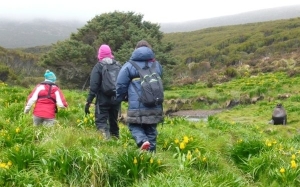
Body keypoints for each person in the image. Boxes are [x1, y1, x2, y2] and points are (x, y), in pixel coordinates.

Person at [115, 40, 164, 151]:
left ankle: (142, 140)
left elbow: (120, 85)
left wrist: (121, 98)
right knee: (151, 131)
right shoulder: (157, 65)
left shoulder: (129, 66)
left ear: (135, 50)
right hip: (155, 104)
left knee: (133, 125)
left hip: (136, 105)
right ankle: (151, 160)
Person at [85, 44, 121, 139]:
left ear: (99, 54)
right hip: (116, 99)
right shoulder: (117, 65)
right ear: (110, 53)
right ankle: (116, 141)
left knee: (101, 122)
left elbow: (94, 86)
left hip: (103, 100)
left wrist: (89, 101)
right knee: (114, 121)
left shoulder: (98, 66)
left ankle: (106, 142)